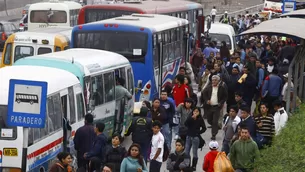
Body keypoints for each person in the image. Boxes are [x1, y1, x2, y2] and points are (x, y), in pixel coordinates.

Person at [202, 75, 228, 140]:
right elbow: (204, 94)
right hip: (209, 107)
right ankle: (216, 126)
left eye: (215, 80)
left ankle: (213, 134)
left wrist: (221, 103)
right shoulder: (208, 87)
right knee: (209, 120)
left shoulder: (222, 88)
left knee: (215, 121)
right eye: (213, 80)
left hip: (217, 107)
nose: (214, 81)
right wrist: (206, 100)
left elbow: (225, 96)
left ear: (218, 81)